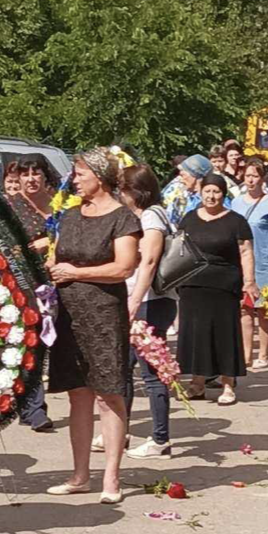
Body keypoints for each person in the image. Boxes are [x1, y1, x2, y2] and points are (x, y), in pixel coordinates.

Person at [46, 147, 141, 504]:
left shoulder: (122, 218)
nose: (74, 180)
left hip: (104, 315)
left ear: (100, 177)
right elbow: (56, 256)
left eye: (80, 173)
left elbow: (124, 267)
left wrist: (77, 273)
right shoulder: (70, 215)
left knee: (108, 394)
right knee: (78, 393)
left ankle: (111, 477)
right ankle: (80, 475)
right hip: (69, 314)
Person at [178, 173, 257, 405]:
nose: (211, 196)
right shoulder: (189, 218)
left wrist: (249, 281)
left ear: (223, 194)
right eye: (207, 191)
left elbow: (245, 252)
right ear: (200, 192)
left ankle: (227, 384)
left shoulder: (236, 221)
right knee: (197, 334)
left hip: (223, 285)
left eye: (216, 192)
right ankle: (197, 383)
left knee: (224, 335)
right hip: (192, 285)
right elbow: (179, 249)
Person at [120, 164, 177, 460]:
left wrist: (134, 300)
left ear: (135, 191)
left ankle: (160, 439)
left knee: (152, 373)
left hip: (150, 302)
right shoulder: (144, 215)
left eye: (123, 189)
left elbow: (150, 261)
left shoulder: (152, 217)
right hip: (143, 300)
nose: (119, 194)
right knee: (124, 369)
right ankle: (120, 431)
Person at [5, 154, 56, 433]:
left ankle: (27, 405)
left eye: (36, 173)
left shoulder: (60, 205)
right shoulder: (10, 207)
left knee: (48, 345)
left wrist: (53, 242)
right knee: (32, 343)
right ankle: (34, 409)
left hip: (61, 281)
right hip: (24, 284)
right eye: (25, 174)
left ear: (46, 177)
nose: (31, 179)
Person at [231, 159, 268, 368]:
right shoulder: (236, 203)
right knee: (244, 309)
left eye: (255, 176)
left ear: (263, 179)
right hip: (241, 263)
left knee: (264, 310)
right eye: (248, 176)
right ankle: (246, 354)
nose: (251, 180)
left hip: (264, 262)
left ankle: (263, 354)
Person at [162, 154, 212, 225]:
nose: (180, 179)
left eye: (183, 175)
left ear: (195, 176)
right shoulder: (179, 194)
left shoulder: (213, 200)